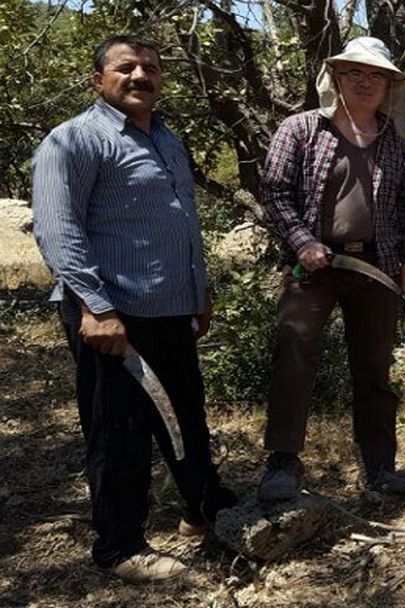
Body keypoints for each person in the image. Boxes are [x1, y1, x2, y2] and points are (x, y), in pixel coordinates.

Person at [31, 35, 237, 583]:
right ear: (98, 79)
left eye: (149, 66)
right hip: (111, 316)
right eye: (125, 68)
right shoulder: (73, 141)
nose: (139, 75)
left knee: (186, 416)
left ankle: (202, 511)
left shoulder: (167, 140)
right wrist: (96, 308)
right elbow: (57, 229)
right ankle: (121, 547)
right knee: (119, 433)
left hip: (171, 308)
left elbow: (181, 223)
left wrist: (200, 291)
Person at [257, 36, 405, 501]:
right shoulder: (302, 128)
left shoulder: (393, 138)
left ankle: (379, 466)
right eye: (356, 73)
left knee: (374, 369)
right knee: (294, 359)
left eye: (376, 76)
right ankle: (282, 463)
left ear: (389, 84)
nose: (366, 82)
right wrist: (303, 242)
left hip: (377, 267)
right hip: (314, 266)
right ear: (337, 77)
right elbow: (275, 192)